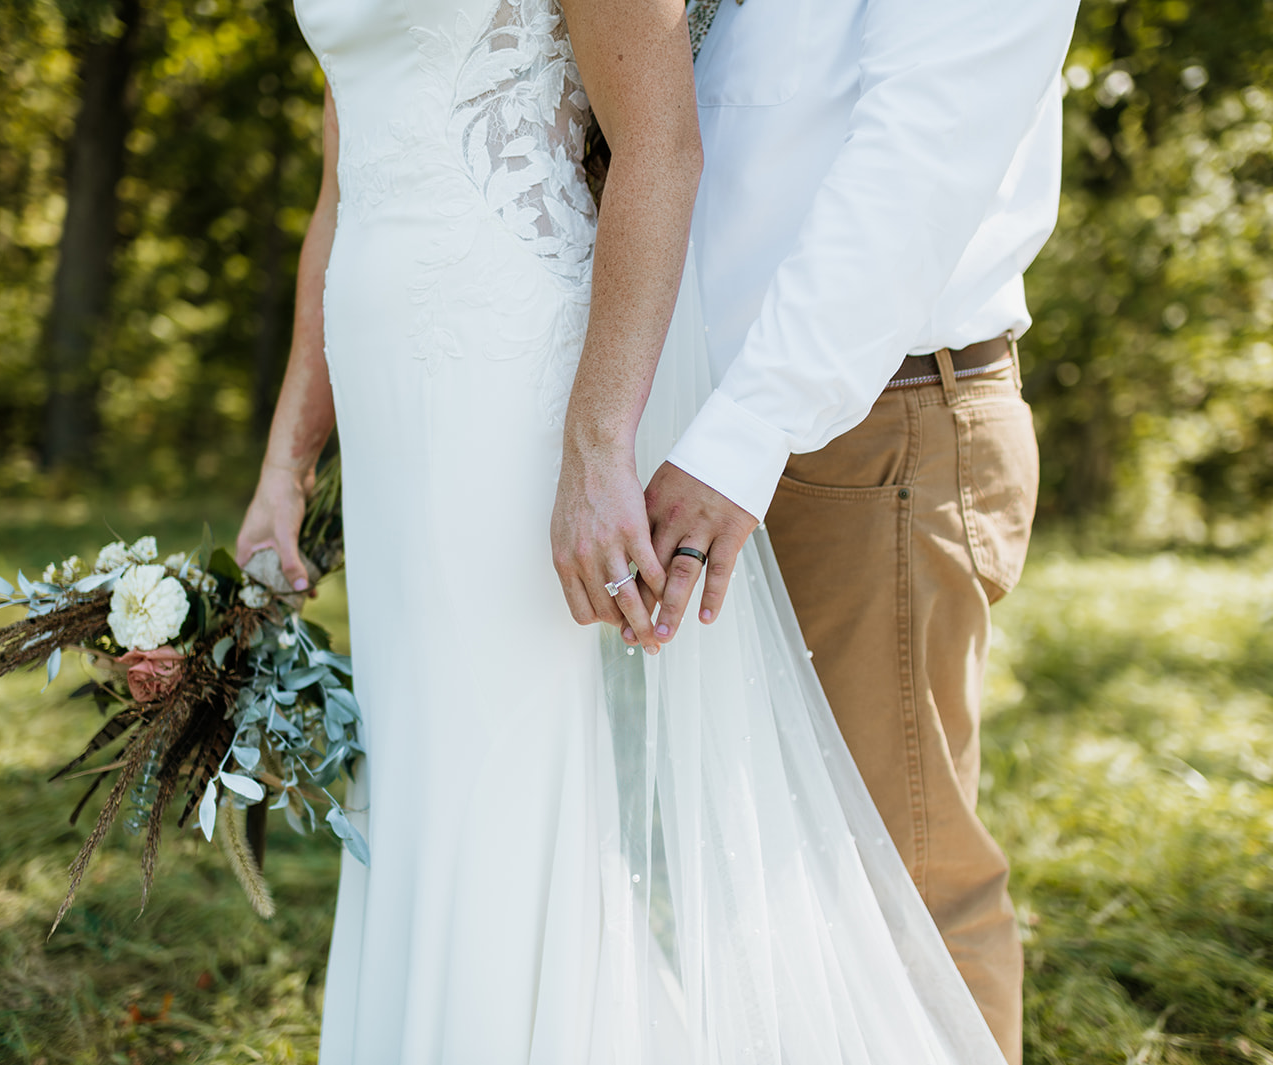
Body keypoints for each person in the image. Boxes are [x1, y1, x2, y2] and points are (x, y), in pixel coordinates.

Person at [237, 0, 1014, 1061]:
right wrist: (290, 460)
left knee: (525, 789)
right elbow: (343, 186)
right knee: (424, 776)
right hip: (394, 391)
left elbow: (680, 141)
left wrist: (601, 445)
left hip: (518, 364)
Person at [637, 1, 1080, 1061]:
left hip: (869, 422)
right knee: (753, 875)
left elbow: (919, 153)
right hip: (733, 421)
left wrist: (743, 433)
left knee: (902, 880)